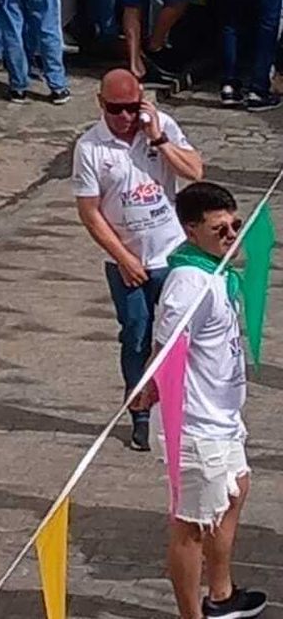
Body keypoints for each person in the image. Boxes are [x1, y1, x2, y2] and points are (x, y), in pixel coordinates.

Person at [72, 70, 204, 450]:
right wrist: (123, 257)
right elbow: (89, 212)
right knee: (135, 335)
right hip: (127, 259)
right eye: (117, 110)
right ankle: (139, 412)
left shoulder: (159, 128)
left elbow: (194, 172)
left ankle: (180, 409)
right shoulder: (90, 147)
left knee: (179, 335)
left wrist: (158, 138)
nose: (126, 118)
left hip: (171, 252)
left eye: (132, 108)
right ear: (101, 104)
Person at [152, 182, 261, 619]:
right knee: (191, 525)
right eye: (220, 228)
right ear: (190, 230)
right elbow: (165, 354)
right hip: (195, 424)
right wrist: (152, 398)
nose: (232, 234)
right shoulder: (188, 282)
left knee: (236, 492)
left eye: (235, 224)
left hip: (224, 416)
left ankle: (221, 593)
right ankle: (190, 614)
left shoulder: (216, 271)